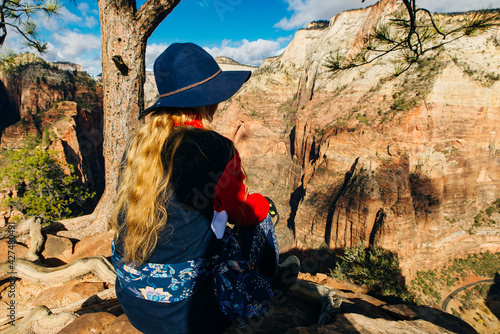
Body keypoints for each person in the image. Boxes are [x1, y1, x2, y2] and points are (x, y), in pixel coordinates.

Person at [110, 43, 298, 334]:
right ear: (206, 99)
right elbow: (242, 213)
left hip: (135, 305)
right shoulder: (216, 148)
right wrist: (264, 204)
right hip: (192, 315)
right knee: (261, 218)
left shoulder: (138, 147)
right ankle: (268, 284)